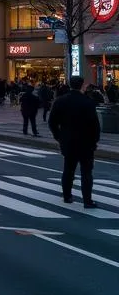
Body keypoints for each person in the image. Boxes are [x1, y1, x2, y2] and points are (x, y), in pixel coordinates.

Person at [48, 76, 101, 208]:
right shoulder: (88, 102)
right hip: (86, 142)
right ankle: (87, 200)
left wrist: (58, 136)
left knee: (68, 170)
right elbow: (95, 125)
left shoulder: (60, 101)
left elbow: (52, 122)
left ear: (69, 85)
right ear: (82, 85)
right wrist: (94, 141)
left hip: (68, 141)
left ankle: (67, 196)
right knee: (86, 172)